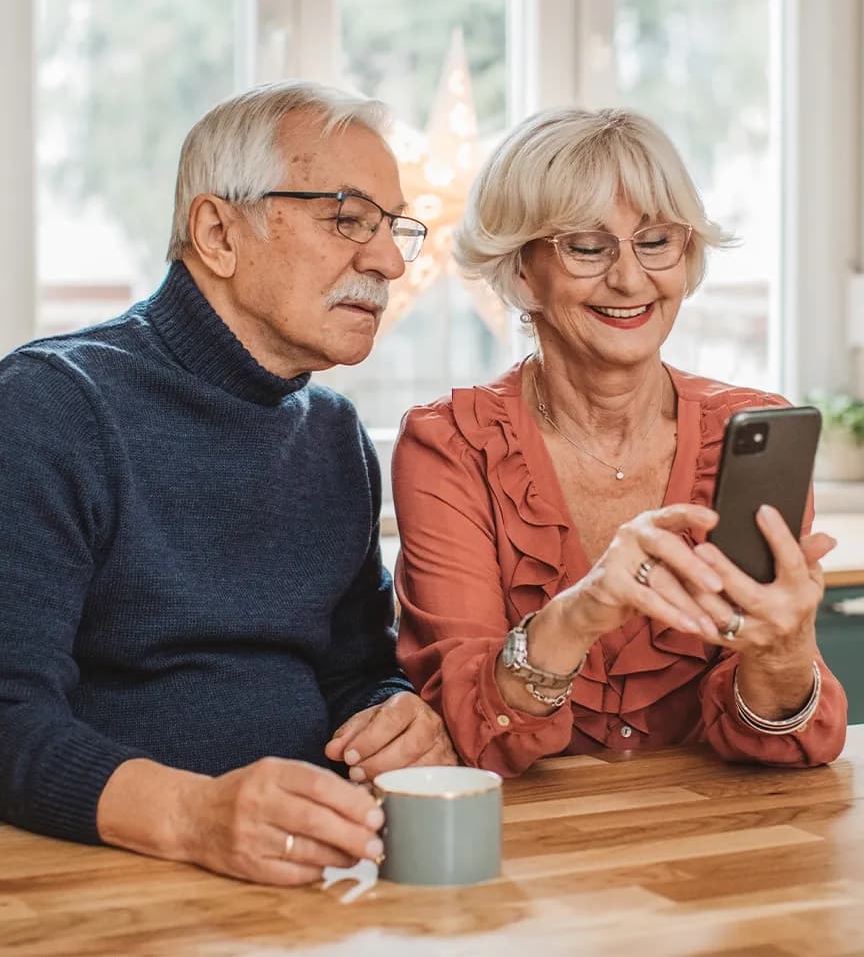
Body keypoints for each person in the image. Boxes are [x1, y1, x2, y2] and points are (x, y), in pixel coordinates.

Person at [0, 81, 455, 887]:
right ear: (217, 232)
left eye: (394, 228)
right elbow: (8, 718)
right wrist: (193, 817)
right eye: (347, 216)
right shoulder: (52, 404)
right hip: (110, 884)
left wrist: (393, 718)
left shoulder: (333, 433)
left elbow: (357, 672)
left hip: (314, 874)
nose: (386, 259)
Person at [392, 107, 847, 777]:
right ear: (522, 272)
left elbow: (778, 745)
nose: (631, 280)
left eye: (656, 241)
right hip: (524, 852)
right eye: (587, 247)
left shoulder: (747, 434)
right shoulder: (451, 446)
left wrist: (780, 652)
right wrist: (578, 617)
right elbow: (473, 731)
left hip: (717, 838)